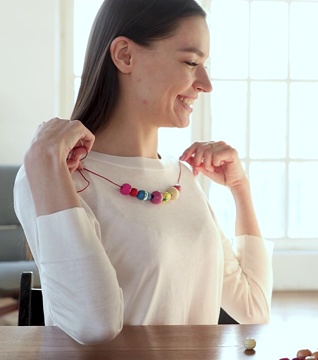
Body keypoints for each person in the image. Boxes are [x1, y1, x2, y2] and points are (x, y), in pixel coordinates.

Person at [13, 0, 273, 345]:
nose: (206, 84)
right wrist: (45, 167)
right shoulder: (52, 175)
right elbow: (94, 324)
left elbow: (254, 307)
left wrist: (240, 189)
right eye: (191, 62)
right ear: (124, 56)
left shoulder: (183, 179)